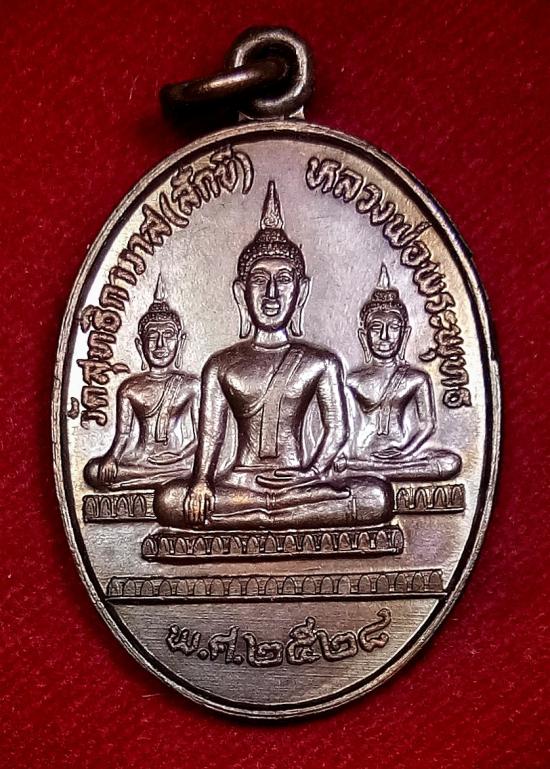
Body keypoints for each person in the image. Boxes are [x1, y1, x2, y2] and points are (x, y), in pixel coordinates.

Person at [154, 182, 392, 529]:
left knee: (375, 496)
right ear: (241, 292)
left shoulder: (320, 363)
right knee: (168, 500)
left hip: (300, 484)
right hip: (239, 484)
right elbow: (211, 436)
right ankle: (266, 513)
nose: (271, 293)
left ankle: (261, 516)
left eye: (283, 280)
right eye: (259, 280)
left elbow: (337, 430)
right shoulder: (220, 365)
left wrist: (312, 473)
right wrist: (202, 481)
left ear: (300, 291)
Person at [335, 264, 461, 481]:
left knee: (451, 462)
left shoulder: (417, 379)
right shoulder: (352, 381)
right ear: (364, 335)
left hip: (403, 456)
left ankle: (369, 471)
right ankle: (366, 469)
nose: (385, 336)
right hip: (363, 454)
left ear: (405, 334)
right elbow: (341, 426)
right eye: (376, 328)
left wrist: (405, 452)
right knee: (337, 465)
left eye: (393, 328)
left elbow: (428, 425)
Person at [84, 276, 199, 490]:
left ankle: (159, 481)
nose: (160, 344)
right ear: (140, 345)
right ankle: (162, 482)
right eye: (153, 336)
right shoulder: (130, 388)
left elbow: (202, 437)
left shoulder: (191, 386)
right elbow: (123, 435)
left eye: (168, 335)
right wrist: (112, 458)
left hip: (180, 462)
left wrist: (180, 455)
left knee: (205, 469)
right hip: (141, 460)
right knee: (93, 471)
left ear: (180, 343)